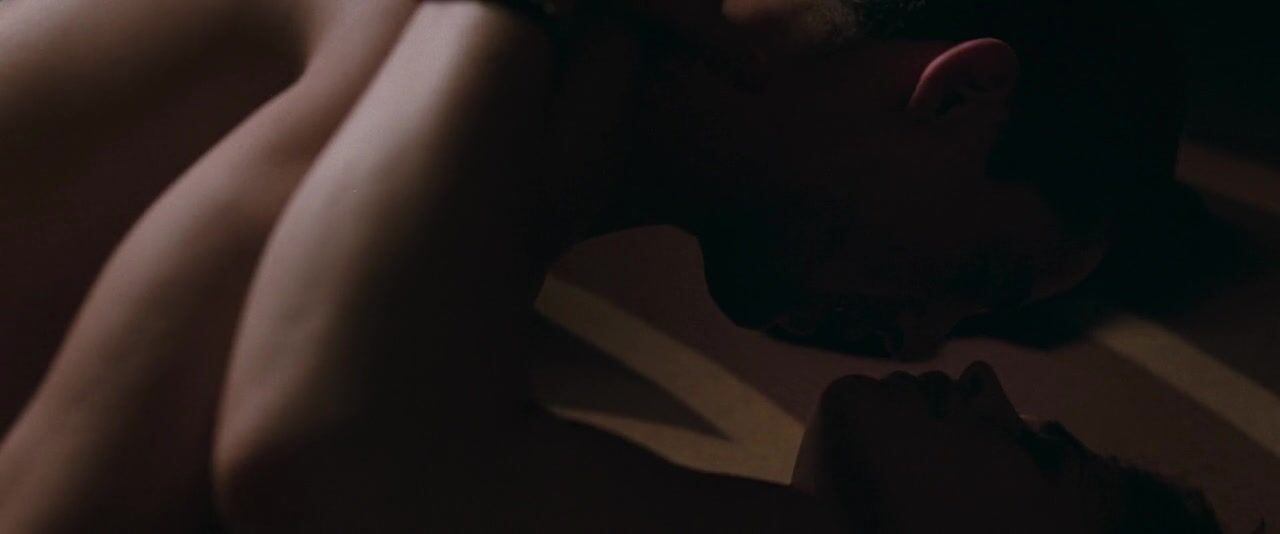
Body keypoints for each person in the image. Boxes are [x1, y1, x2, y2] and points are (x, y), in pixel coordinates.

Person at [0, 0, 1208, 532]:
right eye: (978, 274)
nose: (921, 338)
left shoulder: (529, 93)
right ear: (959, 98)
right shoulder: (487, 69)